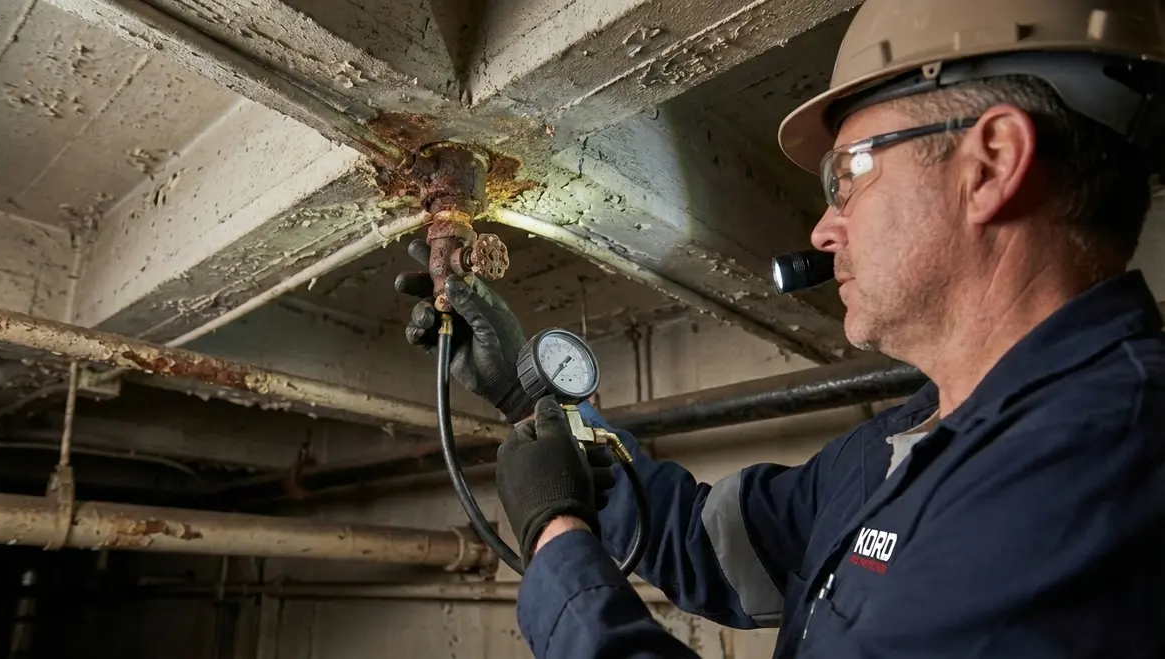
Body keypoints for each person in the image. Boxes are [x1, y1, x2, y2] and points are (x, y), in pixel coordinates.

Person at [396, 0, 1165, 656]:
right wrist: (528, 393)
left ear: (992, 163)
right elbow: (714, 543)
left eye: (850, 174)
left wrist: (558, 539)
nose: (825, 228)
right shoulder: (906, 443)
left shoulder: (1091, 471)